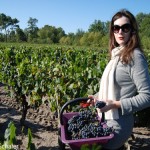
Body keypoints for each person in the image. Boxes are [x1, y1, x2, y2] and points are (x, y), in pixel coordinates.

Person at [88, 9, 150, 150]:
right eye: (116, 28)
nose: (120, 32)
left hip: (118, 125)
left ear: (132, 31)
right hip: (106, 120)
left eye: (125, 28)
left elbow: (147, 96)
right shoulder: (116, 55)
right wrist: (97, 97)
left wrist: (115, 104)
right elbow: (116, 89)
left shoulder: (135, 56)